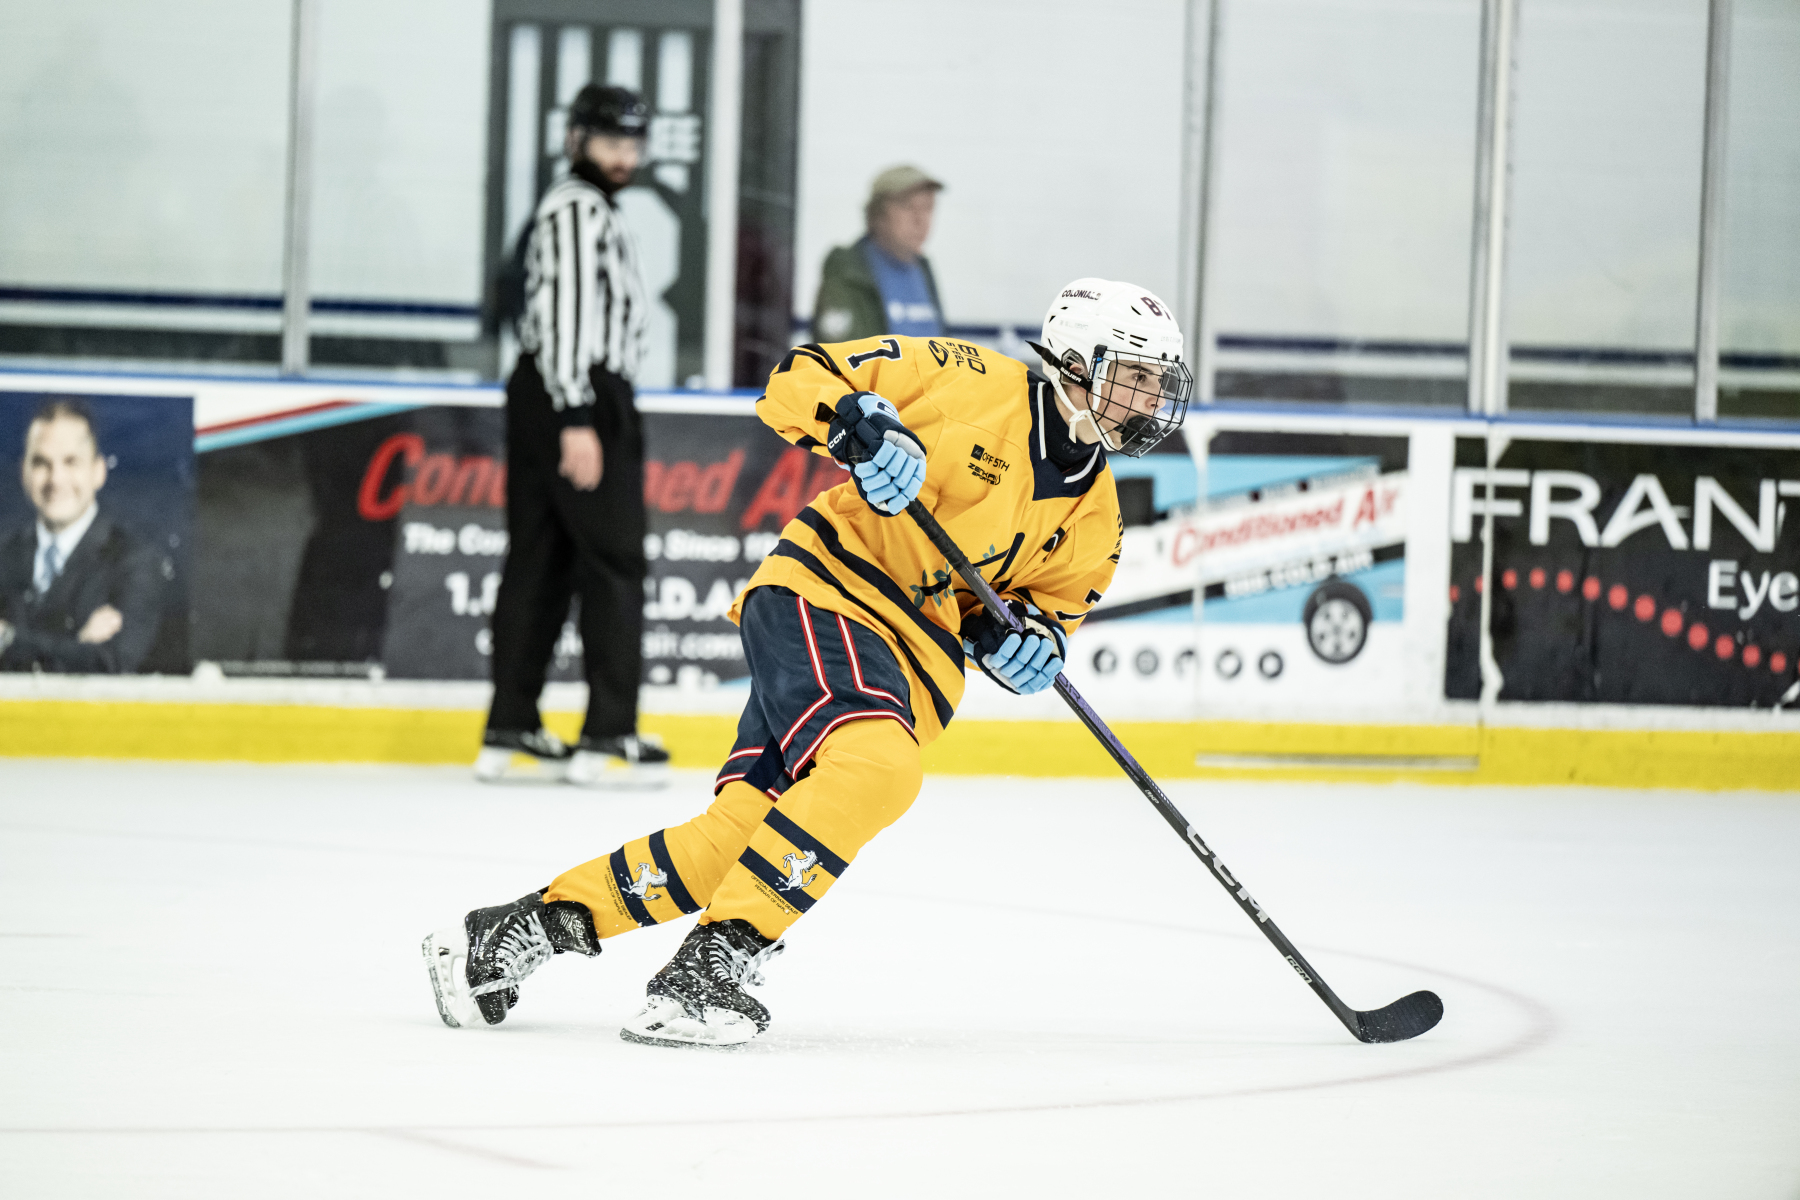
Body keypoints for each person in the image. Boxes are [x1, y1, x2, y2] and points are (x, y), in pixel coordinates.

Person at [424, 279, 1193, 1046]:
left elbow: (1043, 613)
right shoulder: (965, 379)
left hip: (909, 663)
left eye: (1159, 382)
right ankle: (709, 967)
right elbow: (801, 375)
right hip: (827, 597)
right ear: (1073, 362)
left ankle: (508, 935)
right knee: (879, 769)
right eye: (1135, 375)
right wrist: (858, 422)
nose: (1151, 399)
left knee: (739, 840)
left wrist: (1022, 643)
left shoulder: (1098, 519)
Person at [477, 83, 671, 788]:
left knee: (543, 558)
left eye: (632, 143)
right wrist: (577, 415)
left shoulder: (583, 208)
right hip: (580, 390)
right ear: (575, 140)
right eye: (610, 141)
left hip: (557, 390)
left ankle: (509, 726)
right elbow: (566, 317)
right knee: (614, 562)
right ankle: (608, 734)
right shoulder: (578, 209)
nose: (624, 157)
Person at [0, 399, 164, 674]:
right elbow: (88, 660)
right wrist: (77, 645)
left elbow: (112, 663)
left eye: (71, 462)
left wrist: (8, 639)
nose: (56, 479)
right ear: (24, 471)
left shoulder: (134, 561)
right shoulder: (4, 555)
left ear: (98, 471)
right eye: (41, 463)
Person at [811, 165, 945, 344]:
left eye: (928, 207)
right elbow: (838, 353)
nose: (920, 219)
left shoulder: (923, 268)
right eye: (908, 207)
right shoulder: (849, 270)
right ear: (878, 213)